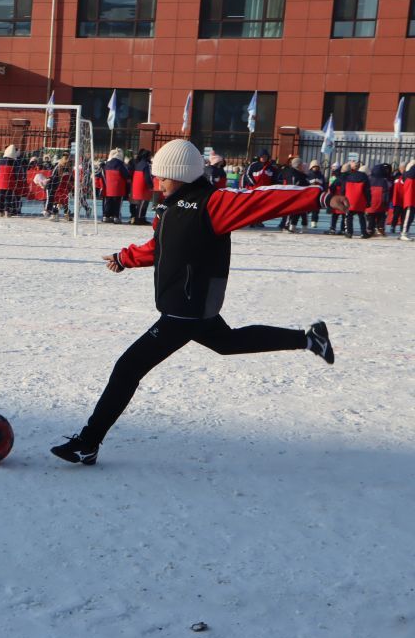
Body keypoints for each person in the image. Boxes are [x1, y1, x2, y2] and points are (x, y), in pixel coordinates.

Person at [50, 139, 346, 466]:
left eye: (163, 176)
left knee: (127, 369)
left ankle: (88, 442)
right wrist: (124, 258)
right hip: (189, 305)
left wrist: (319, 196)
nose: (157, 182)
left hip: (187, 308)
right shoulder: (167, 208)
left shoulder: (212, 203)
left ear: (181, 174)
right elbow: (159, 247)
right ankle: (310, 338)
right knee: (228, 343)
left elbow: (264, 198)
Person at [341, 161, 371, 239]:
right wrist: (368, 201)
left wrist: (342, 198)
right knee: (361, 216)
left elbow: (343, 189)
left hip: (349, 199)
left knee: (349, 216)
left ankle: (349, 232)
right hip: (360, 199)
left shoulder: (347, 176)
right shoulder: (364, 176)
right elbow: (367, 190)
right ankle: (363, 233)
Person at [281, 157, 311, 233]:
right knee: (290, 211)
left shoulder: (299, 173)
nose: (302, 166)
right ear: (297, 165)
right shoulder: (293, 173)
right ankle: (286, 226)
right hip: (293, 194)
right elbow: (294, 184)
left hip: (299, 195)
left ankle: (292, 226)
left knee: (299, 211)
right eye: (301, 164)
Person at [0, 145, 20, 218]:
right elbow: (17, 173)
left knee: (1, 197)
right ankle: (7, 212)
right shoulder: (15, 162)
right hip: (10, 183)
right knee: (8, 197)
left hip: (1, 183)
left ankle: (0, 212)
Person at [102, 148, 129, 224]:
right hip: (118, 187)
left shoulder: (107, 164)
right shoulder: (120, 164)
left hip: (108, 187)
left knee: (108, 201)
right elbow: (126, 174)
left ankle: (106, 216)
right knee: (117, 202)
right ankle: (116, 216)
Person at [366, 163, 391, 236]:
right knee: (381, 215)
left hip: (371, 201)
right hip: (381, 201)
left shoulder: (369, 179)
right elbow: (386, 191)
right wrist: (386, 202)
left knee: (371, 215)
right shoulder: (384, 181)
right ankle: (380, 228)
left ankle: (370, 229)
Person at [130, 148, 153, 224]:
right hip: (143, 186)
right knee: (143, 204)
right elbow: (147, 177)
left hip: (137, 185)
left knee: (140, 204)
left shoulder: (139, 164)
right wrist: (150, 185)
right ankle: (140, 218)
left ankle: (139, 218)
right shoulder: (145, 165)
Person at [306, 160, 327, 228]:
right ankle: (305, 221)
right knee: (307, 209)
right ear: (311, 167)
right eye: (314, 166)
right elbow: (305, 184)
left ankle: (314, 222)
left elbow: (324, 185)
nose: (316, 168)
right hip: (309, 194)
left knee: (316, 209)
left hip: (318, 194)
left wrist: (324, 191)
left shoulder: (321, 176)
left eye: (317, 167)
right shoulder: (308, 175)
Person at [401, 160, 415, 241]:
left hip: (411, 199)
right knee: (408, 216)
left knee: (410, 217)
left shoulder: (408, 177)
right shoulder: (410, 178)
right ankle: (404, 233)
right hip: (410, 200)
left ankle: (405, 232)